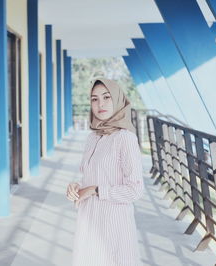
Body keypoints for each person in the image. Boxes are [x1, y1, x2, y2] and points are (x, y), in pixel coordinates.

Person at [66, 78, 144, 266]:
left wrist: (95, 189)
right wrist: (76, 186)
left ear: (117, 99)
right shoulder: (93, 137)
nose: (100, 104)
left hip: (113, 224)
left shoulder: (125, 138)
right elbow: (88, 174)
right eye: (94, 99)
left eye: (106, 97)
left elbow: (135, 190)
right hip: (88, 220)